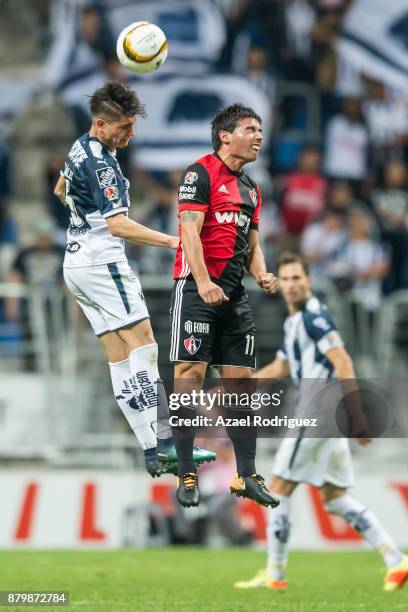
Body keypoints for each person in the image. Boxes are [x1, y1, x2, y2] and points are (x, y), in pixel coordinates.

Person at [54, 81, 215, 478]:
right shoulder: (103, 164)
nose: (131, 134)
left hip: (76, 262)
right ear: (101, 124)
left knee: (121, 356)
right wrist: (174, 241)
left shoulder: (81, 147)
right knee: (145, 345)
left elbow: (60, 189)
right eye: (124, 127)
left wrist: (82, 220)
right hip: (103, 264)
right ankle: (167, 442)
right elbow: (118, 225)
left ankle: (151, 449)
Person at [234, 252, 408, 592]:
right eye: (286, 279)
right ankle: (396, 559)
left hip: (318, 410)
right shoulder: (294, 322)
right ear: (280, 284)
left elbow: (342, 360)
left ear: (308, 281)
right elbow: (283, 366)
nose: (293, 284)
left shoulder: (315, 317)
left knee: (279, 488)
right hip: (329, 416)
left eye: (298, 277)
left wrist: (358, 416)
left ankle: (275, 574)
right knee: (335, 497)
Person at [169, 102, 280, 509]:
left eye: (260, 130)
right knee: (189, 376)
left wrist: (263, 273)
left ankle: (247, 474)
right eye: (250, 129)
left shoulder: (251, 189)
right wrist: (203, 281)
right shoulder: (199, 173)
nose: (258, 137)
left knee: (240, 387)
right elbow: (190, 232)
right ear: (225, 135)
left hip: (234, 298)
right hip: (197, 292)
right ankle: (186, 472)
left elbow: (251, 245)